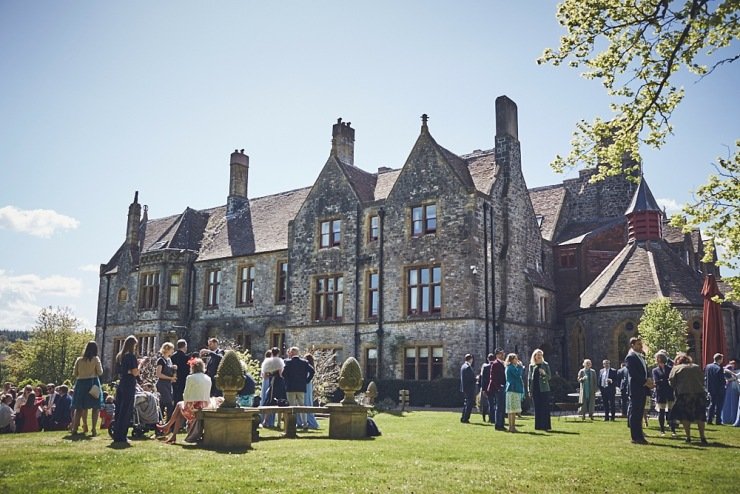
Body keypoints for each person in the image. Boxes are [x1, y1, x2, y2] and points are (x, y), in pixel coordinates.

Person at [157, 357, 212, 444]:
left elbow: (186, 394)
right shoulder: (208, 378)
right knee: (180, 411)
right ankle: (172, 434)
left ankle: (168, 427)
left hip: (194, 408)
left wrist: (186, 403)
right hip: (205, 406)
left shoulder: (190, 377)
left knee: (179, 405)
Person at [669, 353, 708, 444]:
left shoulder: (676, 368)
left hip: (684, 394)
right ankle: (702, 437)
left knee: (685, 417)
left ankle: (688, 437)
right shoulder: (696, 367)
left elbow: (672, 382)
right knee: (700, 416)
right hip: (699, 393)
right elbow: (702, 379)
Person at [70, 340, 104, 435]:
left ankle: (75, 428)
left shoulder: (79, 360)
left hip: (81, 384)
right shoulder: (95, 359)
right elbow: (100, 372)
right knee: (95, 407)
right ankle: (93, 429)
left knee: (79, 407)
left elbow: (75, 373)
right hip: (92, 383)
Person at [625, 337, 654, 444]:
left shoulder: (641, 356)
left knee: (640, 413)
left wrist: (649, 379)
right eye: (638, 344)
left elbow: (645, 370)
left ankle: (640, 436)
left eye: (641, 344)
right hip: (636, 389)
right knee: (635, 413)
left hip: (642, 388)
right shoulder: (630, 357)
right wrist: (645, 382)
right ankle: (635, 437)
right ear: (632, 345)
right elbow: (634, 374)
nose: (641, 346)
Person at [112, 335, 139, 444]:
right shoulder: (131, 356)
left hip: (121, 383)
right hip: (129, 383)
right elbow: (135, 372)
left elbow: (120, 371)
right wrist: (140, 365)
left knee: (119, 409)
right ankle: (122, 435)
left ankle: (116, 433)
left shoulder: (119, 356)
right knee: (126, 409)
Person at [282, 347, 314, 428]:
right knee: (302, 406)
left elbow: (283, 374)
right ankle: (304, 423)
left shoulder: (287, 362)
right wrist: (306, 380)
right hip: (301, 387)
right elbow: (312, 371)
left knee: (291, 406)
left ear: (291, 353)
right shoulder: (304, 362)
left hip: (290, 387)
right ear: (298, 353)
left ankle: (291, 423)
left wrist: (287, 380)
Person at [652, 352, 676, 437]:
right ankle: (662, 430)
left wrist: (663, 381)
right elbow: (657, 381)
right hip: (661, 393)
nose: (657, 360)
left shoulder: (670, 368)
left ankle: (673, 430)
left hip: (669, 392)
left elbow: (672, 379)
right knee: (661, 412)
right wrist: (664, 381)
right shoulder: (655, 370)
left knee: (671, 411)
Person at [261, 347, 286, 427]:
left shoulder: (267, 361)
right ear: (278, 353)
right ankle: (279, 422)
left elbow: (264, 375)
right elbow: (281, 374)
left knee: (270, 400)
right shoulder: (280, 361)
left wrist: (270, 375)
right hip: (279, 382)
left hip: (271, 381)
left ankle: (265, 421)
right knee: (281, 400)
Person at [528, 348, 551, 431]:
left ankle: (546, 426)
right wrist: (529, 390)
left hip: (544, 389)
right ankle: (538, 426)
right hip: (535, 389)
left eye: (541, 355)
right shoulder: (532, 366)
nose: (539, 356)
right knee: (537, 407)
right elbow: (529, 379)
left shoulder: (545, 364)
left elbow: (549, 377)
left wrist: (544, 373)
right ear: (535, 356)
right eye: (538, 355)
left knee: (545, 407)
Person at [155, 342, 177, 421]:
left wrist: (173, 369)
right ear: (167, 349)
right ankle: (160, 422)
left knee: (168, 403)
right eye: (172, 349)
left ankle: (167, 422)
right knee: (166, 403)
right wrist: (169, 378)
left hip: (168, 385)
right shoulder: (161, 360)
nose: (173, 351)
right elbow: (158, 374)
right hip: (162, 384)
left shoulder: (169, 360)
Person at [486, 348, 507, 431]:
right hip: (498, 388)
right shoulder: (495, 364)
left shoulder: (502, 363)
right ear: (497, 355)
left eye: (503, 354)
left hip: (502, 387)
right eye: (501, 354)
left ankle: (501, 423)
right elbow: (493, 377)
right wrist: (499, 387)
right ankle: (498, 424)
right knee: (499, 406)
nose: (503, 355)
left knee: (502, 406)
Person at [504, 353, 524, 433]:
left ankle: (512, 427)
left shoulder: (509, 367)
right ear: (512, 360)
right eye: (516, 359)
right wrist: (520, 367)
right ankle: (512, 427)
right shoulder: (511, 368)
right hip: (513, 389)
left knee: (512, 410)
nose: (517, 360)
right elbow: (518, 374)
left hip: (511, 389)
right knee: (512, 410)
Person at [705, 353, 726, 425]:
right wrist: (725, 383)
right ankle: (718, 420)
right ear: (719, 359)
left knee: (711, 404)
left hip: (710, 388)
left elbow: (706, 378)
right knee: (719, 405)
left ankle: (709, 419)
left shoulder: (708, 366)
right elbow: (721, 380)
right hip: (719, 389)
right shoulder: (719, 368)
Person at [303, 353, 320, 429]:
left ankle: (311, 422)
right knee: (307, 402)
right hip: (308, 386)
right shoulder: (310, 367)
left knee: (306, 403)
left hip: (306, 386)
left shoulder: (307, 368)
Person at [171, 339, 189, 405]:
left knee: (175, 397)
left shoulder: (172, 356)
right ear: (185, 346)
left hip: (174, 379)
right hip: (183, 380)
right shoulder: (186, 357)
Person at [721, 360, 739, 425]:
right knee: (729, 402)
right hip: (729, 387)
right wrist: (733, 375)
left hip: (730, 387)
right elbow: (725, 370)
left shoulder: (732, 368)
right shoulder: (729, 367)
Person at [459, 353, 476, 424]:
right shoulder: (468, 367)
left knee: (466, 403)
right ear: (470, 359)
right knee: (469, 403)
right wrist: (476, 378)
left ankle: (463, 417)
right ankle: (466, 418)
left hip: (465, 388)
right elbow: (471, 378)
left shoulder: (463, 366)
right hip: (469, 388)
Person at [479, 354, 494, 422]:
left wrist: (483, 389)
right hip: (495, 387)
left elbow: (483, 379)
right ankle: (493, 418)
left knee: (487, 403)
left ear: (488, 359)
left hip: (487, 388)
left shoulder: (485, 367)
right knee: (494, 404)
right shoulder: (496, 366)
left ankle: (488, 418)